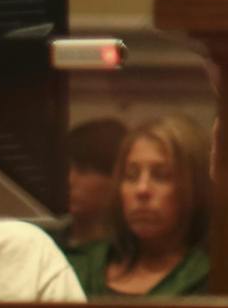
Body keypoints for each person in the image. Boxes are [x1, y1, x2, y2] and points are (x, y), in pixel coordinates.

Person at [65, 115, 209, 298]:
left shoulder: (211, 277)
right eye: (131, 176)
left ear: (195, 186)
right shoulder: (79, 265)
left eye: (161, 176)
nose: (142, 190)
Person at [62, 118, 127, 251]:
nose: (69, 180)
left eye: (83, 171)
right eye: (65, 168)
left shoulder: (127, 255)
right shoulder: (42, 243)